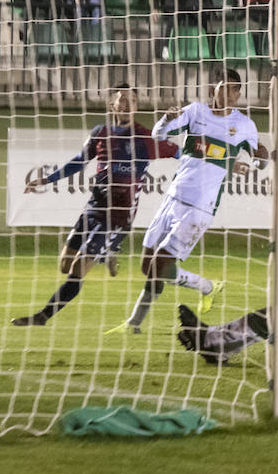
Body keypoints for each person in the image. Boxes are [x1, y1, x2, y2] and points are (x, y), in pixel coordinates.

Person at [110, 70, 269, 334]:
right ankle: (200, 290)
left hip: (200, 207)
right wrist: (167, 119)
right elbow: (159, 136)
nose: (229, 93)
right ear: (211, 89)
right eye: (224, 87)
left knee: (160, 264)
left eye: (234, 89)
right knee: (147, 266)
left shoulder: (243, 125)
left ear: (239, 94)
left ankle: (137, 321)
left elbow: (258, 161)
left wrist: (258, 160)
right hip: (173, 197)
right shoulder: (195, 112)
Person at [12, 86, 180, 327]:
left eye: (132, 100)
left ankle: (42, 317)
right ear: (112, 104)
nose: (126, 104)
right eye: (122, 100)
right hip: (93, 208)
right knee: (64, 265)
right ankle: (108, 254)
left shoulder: (144, 139)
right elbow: (79, 163)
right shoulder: (99, 133)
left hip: (118, 217)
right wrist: (47, 180)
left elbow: (181, 153)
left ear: (137, 107)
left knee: (79, 268)